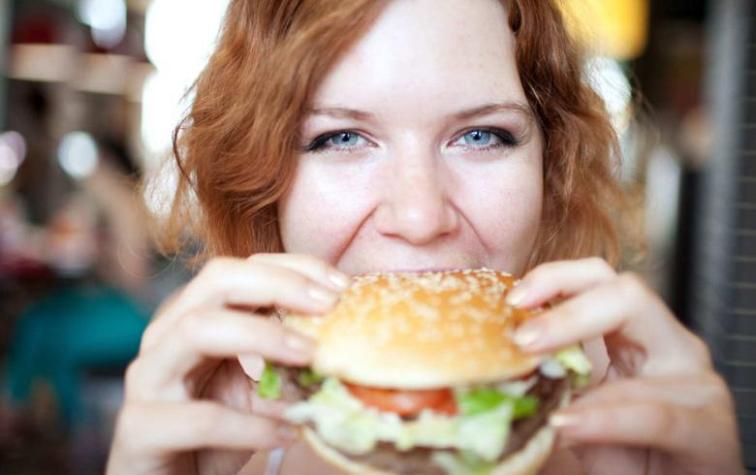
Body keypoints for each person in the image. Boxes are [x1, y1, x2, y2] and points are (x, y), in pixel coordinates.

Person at [106, 0, 742, 474]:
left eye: (482, 135)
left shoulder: (630, 450)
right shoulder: (212, 446)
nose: (418, 218)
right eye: (340, 138)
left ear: (551, 169)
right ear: (262, 182)